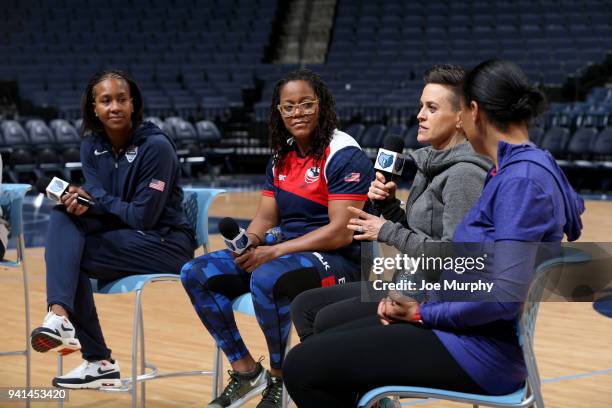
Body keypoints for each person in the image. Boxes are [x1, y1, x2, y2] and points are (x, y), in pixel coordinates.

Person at [283, 59, 585, 407]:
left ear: (472, 112)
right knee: (321, 337)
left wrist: (419, 313)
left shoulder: (520, 182)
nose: (420, 115)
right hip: (459, 327)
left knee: (303, 366)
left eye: (432, 107)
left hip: (474, 350)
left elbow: (499, 297)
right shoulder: (522, 167)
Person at [180, 68, 374, 408]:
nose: (297, 113)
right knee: (196, 273)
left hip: (340, 259)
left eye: (306, 104)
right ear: (278, 112)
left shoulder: (344, 152)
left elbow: (342, 232)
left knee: (268, 277)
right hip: (287, 253)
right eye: (288, 107)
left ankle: (280, 379)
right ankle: (245, 373)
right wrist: (252, 240)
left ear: (322, 105)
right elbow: (266, 217)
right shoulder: (281, 155)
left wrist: (274, 251)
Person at [290, 64, 492, 342]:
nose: (420, 115)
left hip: (428, 299)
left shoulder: (464, 175)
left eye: (431, 108)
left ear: (461, 118)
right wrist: (390, 208)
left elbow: (455, 259)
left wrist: (386, 230)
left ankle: (338, 376)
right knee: (305, 305)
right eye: (421, 106)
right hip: (407, 281)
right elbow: (420, 235)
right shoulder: (433, 164)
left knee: (324, 320)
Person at [29, 70, 196, 389]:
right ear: (94, 108)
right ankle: (60, 319)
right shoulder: (91, 146)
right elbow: (113, 212)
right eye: (106, 100)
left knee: (69, 256)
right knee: (62, 217)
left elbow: (142, 217)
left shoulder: (156, 146)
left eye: (121, 99)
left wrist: (95, 198)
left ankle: (96, 359)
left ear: (133, 104)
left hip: (167, 243)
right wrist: (81, 201)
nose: (114, 106)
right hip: (125, 236)